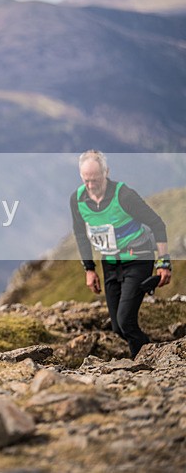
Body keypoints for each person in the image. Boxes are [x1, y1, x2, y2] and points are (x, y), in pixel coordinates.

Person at [70, 150, 172, 358]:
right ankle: (152, 352)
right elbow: (81, 234)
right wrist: (89, 269)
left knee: (126, 321)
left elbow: (157, 224)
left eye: (95, 180)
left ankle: (143, 362)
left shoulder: (124, 195)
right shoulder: (77, 199)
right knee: (117, 327)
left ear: (106, 172)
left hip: (137, 258)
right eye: (86, 180)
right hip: (110, 263)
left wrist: (163, 263)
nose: (91, 185)